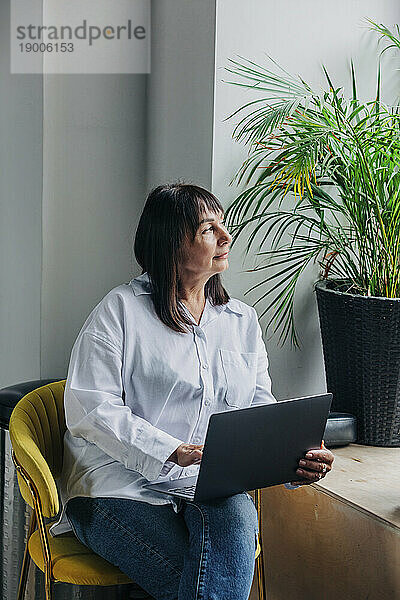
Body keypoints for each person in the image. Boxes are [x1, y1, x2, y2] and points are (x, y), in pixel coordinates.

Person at [50, 183, 334, 600]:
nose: (226, 237)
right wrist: (169, 449)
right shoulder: (120, 311)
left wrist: (294, 458)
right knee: (203, 576)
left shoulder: (241, 321)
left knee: (228, 538)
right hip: (116, 487)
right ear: (171, 244)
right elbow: (90, 408)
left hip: (207, 483)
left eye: (224, 225)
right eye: (207, 229)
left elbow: (258, 406)